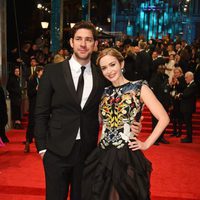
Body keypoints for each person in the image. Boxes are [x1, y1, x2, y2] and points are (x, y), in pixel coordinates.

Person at [34, 21, 142, 200]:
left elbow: (120, 101)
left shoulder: (103, 75)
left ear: (95, 44)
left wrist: (133, 123)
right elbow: (41, 112)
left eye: (88, 40)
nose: (83, 44)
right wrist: (42, 148)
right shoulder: (52, 71)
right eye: (79, 39)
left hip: (88, 152)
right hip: (55, 150)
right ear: (71, 42)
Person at [81, 48, 170, 200]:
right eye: (104, 68)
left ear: (121, 63)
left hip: (126, 155)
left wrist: (146, 144)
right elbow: (99, 121)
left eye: (112, 64)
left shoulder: (139, 87)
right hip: (102, 154)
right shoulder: (103, 92)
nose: (109, 71)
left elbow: (163, 118)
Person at [24, 66, 44, 153]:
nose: (43, 73)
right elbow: (29, 93)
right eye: (42, 71)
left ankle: (39, 146)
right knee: (31, 124)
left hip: (41, 106)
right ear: (38, 72)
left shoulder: (43, 80)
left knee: (39, 125)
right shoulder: (32, 80)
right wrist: (36, 89)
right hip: (33, 105)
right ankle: (28, 142)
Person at [180, 71, 197, 143]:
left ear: (191, 77)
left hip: (188, 108)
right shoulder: (190, 85)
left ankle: (189, 138)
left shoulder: (193, 85)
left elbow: (186, 95)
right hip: (187, 107)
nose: (185, 79)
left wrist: (180, 95)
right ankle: (188, 137)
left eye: (186, 77)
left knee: (188, 123)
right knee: (187, 123)